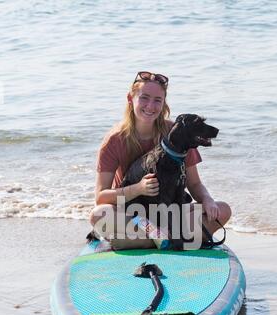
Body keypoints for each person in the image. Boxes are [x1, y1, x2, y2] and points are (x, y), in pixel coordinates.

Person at [89, 71, 231, 249]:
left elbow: (194, 184)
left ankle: (145, 241)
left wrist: (207, 200)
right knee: (98, 215)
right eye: (144, 98)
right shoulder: (115, 140)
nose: (150, 106)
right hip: (135, 214)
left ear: (164, 103)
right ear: (130, 98)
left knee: (222, 210)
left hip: (171, 212)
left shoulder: (178, 132)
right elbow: (101, 198)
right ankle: (169, 238)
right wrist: (138, 188)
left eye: (158, 100)